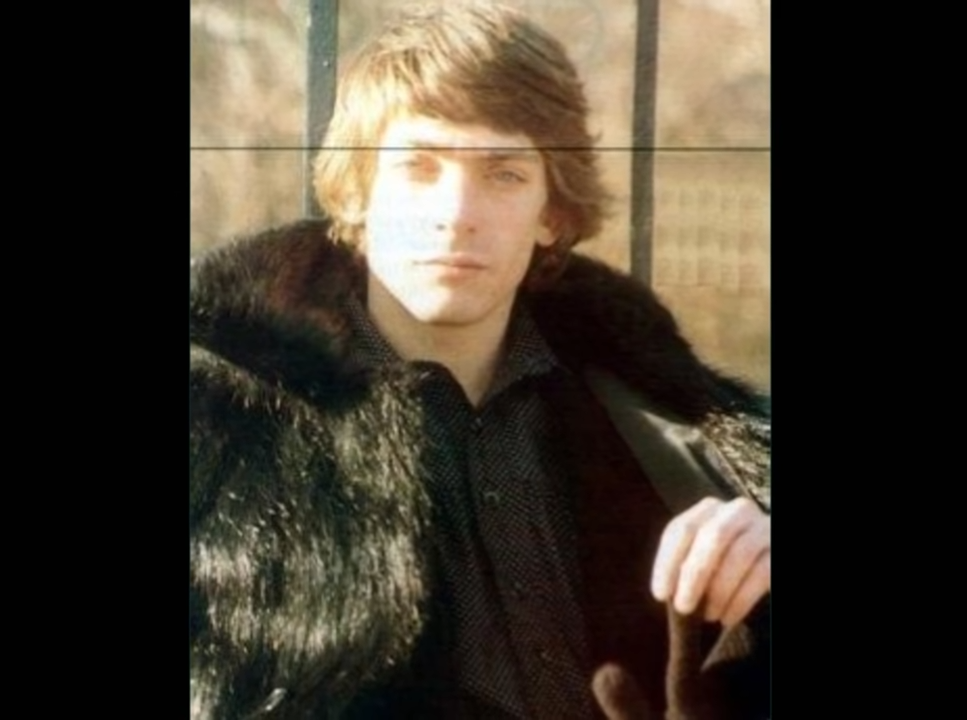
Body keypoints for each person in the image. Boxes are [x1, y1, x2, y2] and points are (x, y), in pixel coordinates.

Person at [189, 3, 771, 718]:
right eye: (419, 167)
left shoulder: (648, 417)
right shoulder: (220, 422)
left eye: (503, 174)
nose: (457, 213)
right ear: (359, 193)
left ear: (552, 214)